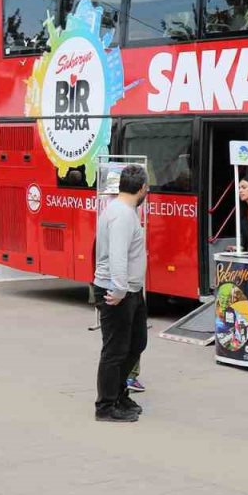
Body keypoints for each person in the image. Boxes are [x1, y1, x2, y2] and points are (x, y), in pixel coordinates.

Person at [92, 163, 148, 423]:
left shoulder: (121, 210)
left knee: (136, 343)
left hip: (129, 291)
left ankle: (119, 393)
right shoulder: (122, 215)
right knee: (115, 350)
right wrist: (119, 289)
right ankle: (105, 406)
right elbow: (117, 255)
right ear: (143, 188)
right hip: (118, 292)